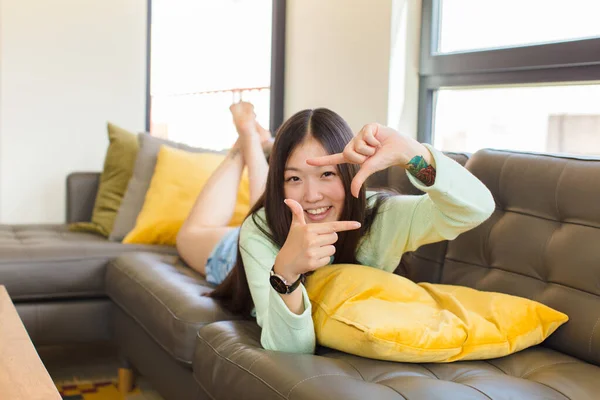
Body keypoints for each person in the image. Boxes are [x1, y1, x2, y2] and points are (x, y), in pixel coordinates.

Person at [181, 106, 496, 355]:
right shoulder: (257, 231)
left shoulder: (381, 217)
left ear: (348, 172)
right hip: (241, 256)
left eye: (327, 174)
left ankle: (258, 143)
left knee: (278, 207)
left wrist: (415, 155)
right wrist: (285, 275)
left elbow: (476, 208)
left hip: (277, 221)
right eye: (294, 178)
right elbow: (287, 348)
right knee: (191, 234)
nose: (313, 194)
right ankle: (246, 139)